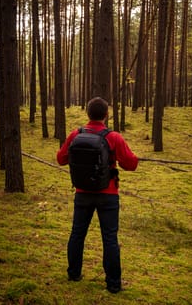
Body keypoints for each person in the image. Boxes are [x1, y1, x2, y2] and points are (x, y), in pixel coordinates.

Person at [57, 97, 138, 293]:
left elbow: (61, 159)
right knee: (109, 238)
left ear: (87, 113)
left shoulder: (76, 134)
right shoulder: (114, 137)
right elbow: (131, 164)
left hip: (82, 193)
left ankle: (74, 274)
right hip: (108, 195)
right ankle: (113, 284)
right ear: (106, 115)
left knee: (77, 234)